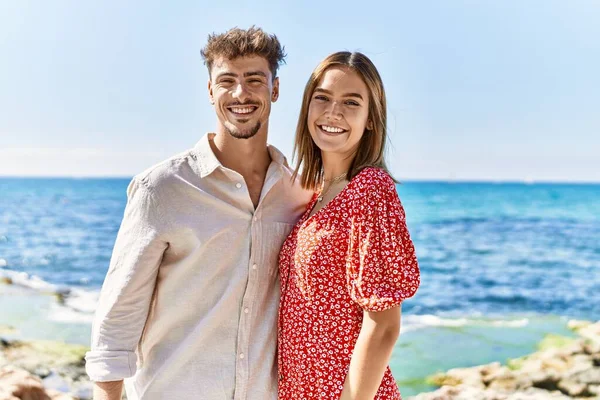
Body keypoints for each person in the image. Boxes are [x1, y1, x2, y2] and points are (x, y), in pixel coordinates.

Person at [85, 26, 311, 400]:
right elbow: (118, 317)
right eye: (227, 80)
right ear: (210, 92)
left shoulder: (298, 192)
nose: (241, 93)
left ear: (275, 89)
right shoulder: (161, 188)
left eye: (255, 79)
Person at [277, 51, 421, 400]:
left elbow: (384, 326)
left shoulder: (370, 189)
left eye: (351, 102)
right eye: (322, 98)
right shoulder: (317, 196)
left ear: (371, 118)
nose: (333, 112)